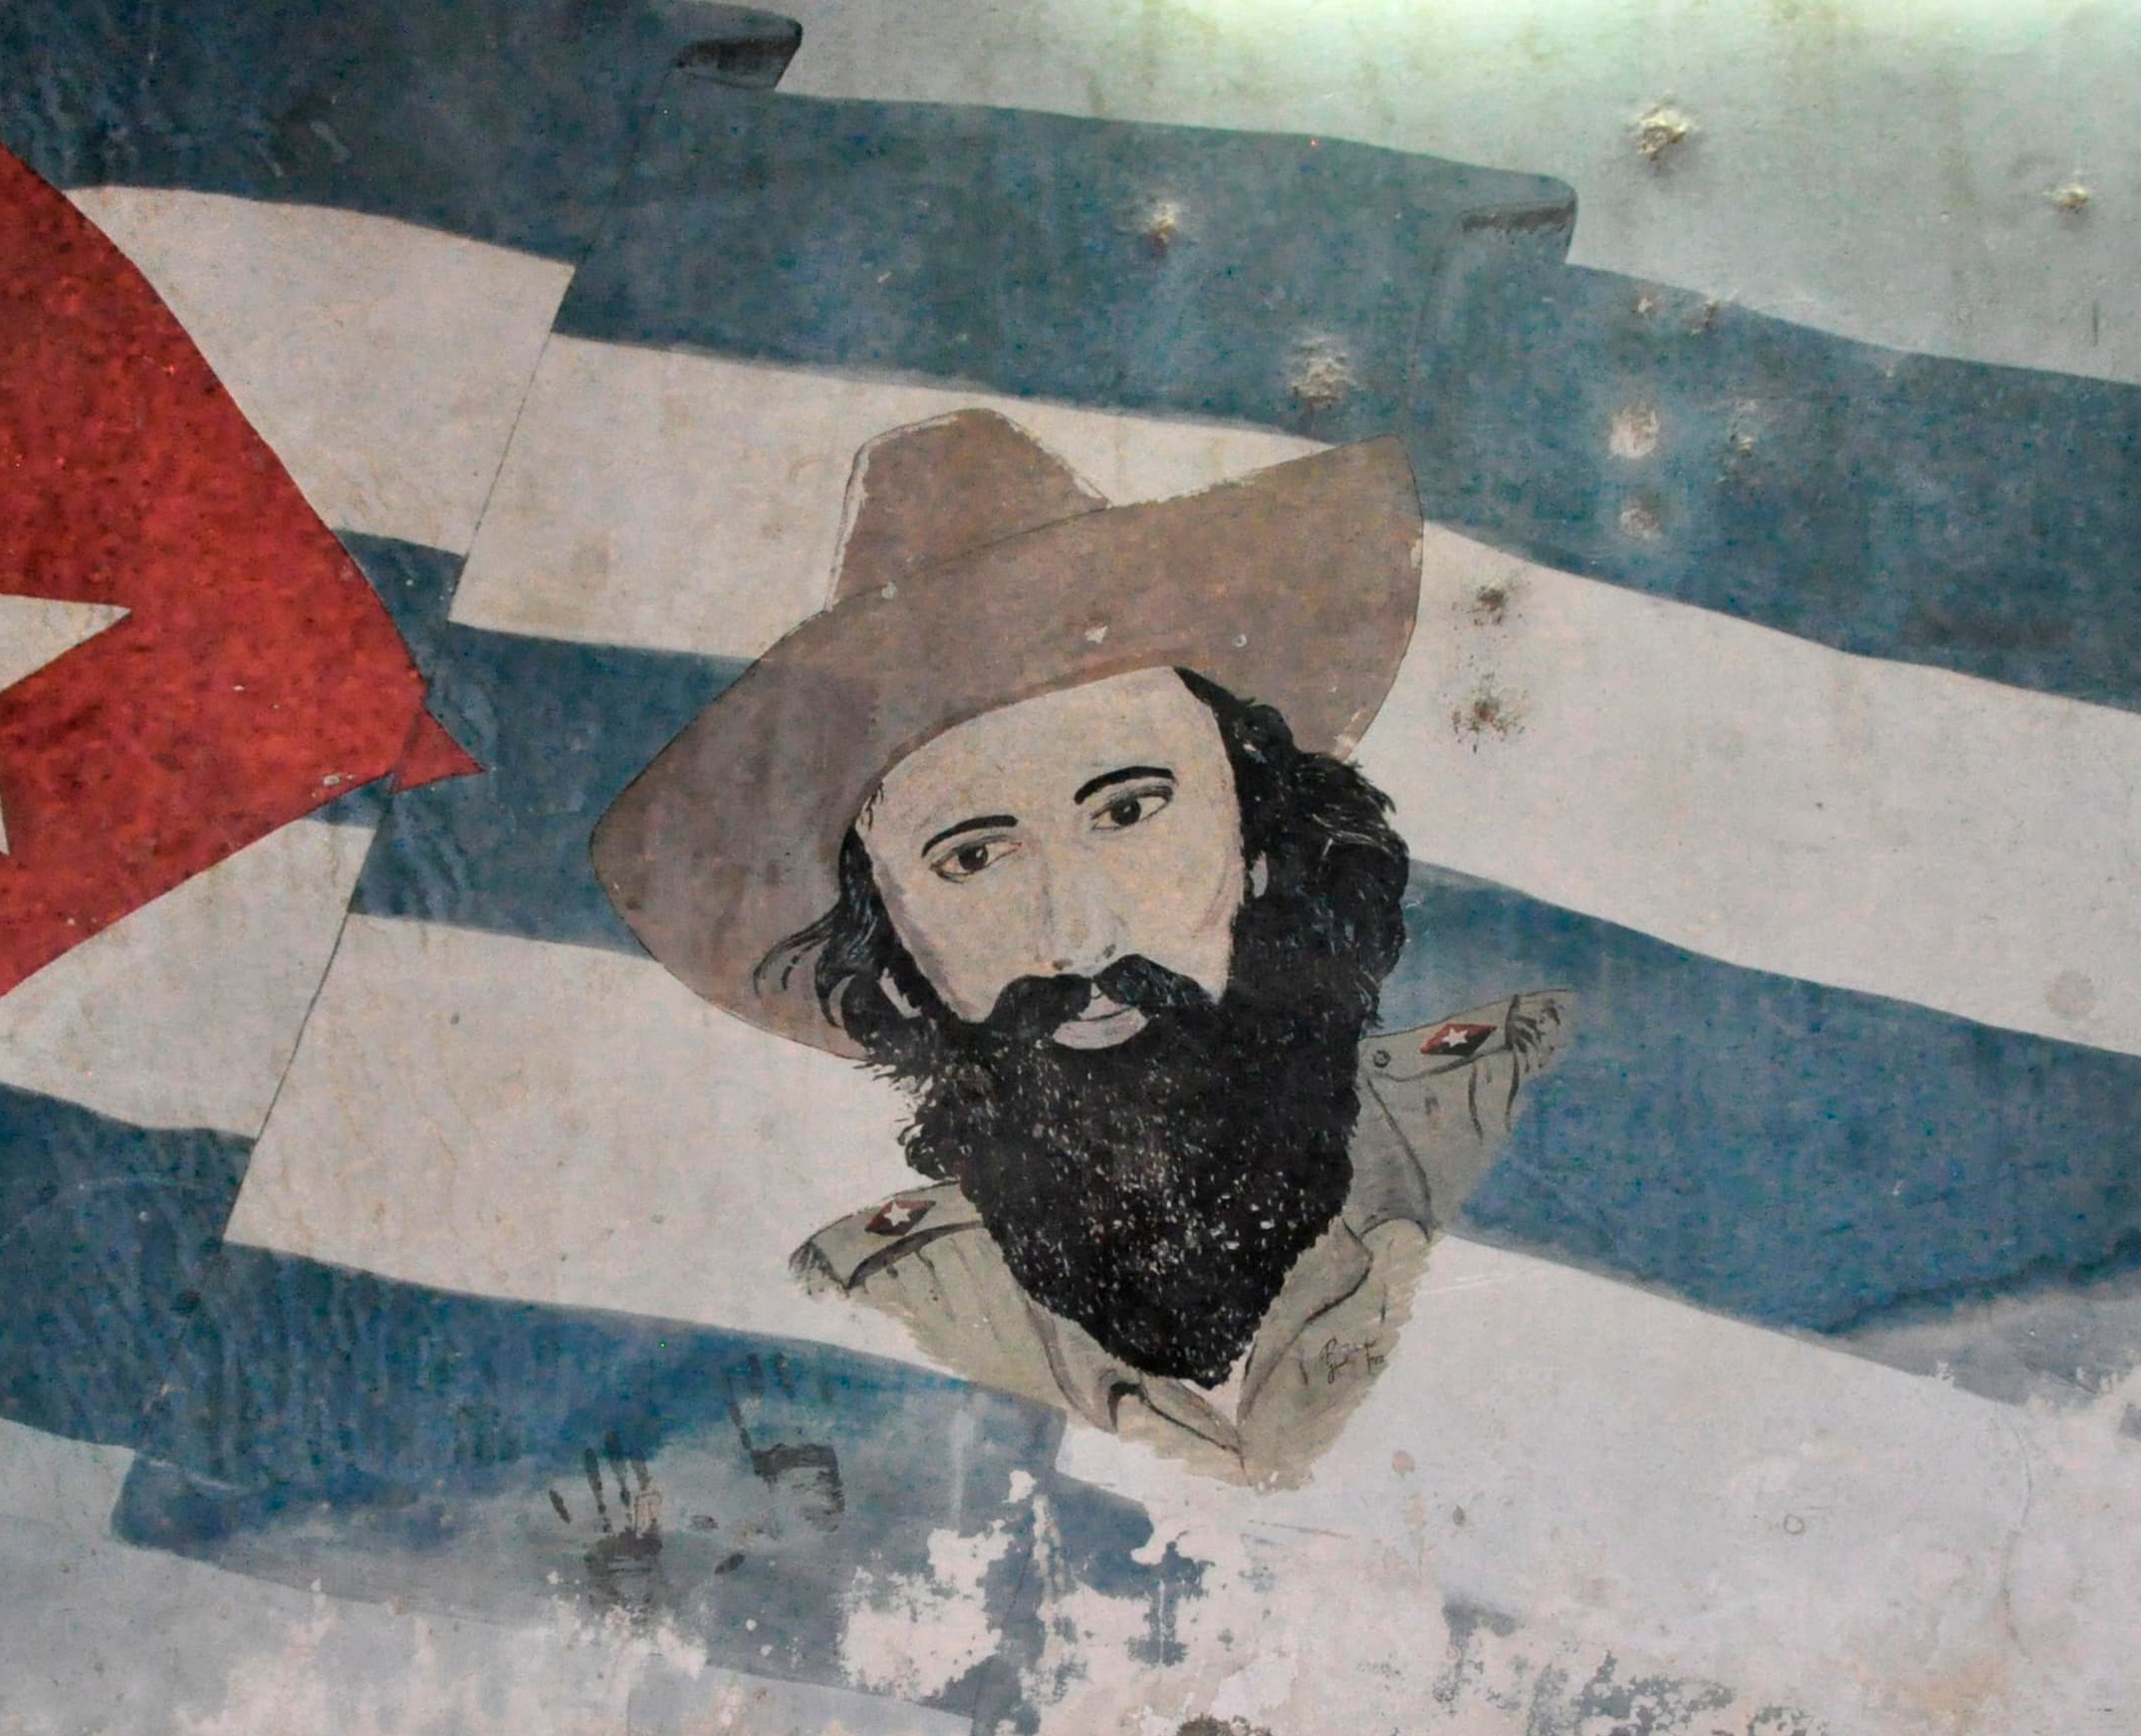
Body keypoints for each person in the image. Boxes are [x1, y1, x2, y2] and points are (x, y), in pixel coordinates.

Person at [595, 411, 1564, 1487]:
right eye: (971, 859)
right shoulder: (873, 1306)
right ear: (900, 955)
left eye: (1130, 808)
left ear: (1257, 837)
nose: (1077, 934)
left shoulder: (1511, 1108)